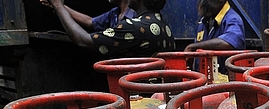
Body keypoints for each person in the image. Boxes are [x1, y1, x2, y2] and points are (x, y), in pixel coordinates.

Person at [47, 0, 175, 57]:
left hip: (136, 98)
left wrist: (58, 5)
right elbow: (90, 22)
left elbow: (83, 40)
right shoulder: (163, 26)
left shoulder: (134, 27)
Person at [184, 0, 245, 74]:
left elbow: (230, 42)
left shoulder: (232, 19)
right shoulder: (204, 21)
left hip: (226, 80)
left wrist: (193, 47)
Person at [41, 0, 136, 32]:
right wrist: (60, 6)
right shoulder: (115, 13)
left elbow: (85, 41)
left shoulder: (137, 16)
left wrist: (58, 5)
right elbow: (90, 22)